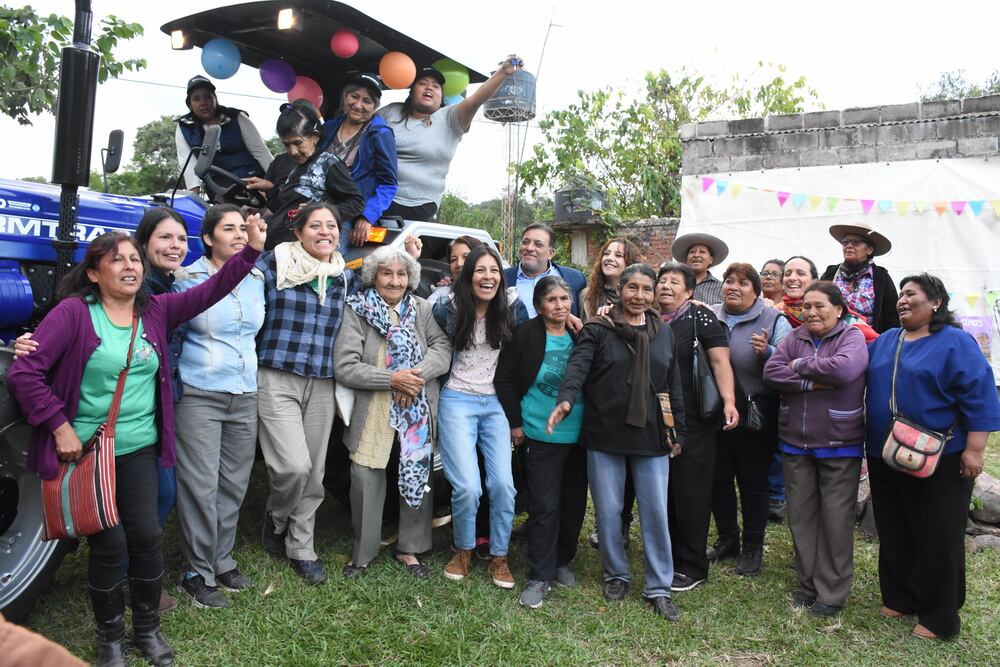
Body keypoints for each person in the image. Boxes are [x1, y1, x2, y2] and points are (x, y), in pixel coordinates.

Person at [7, 219, 266, 667]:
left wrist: (250, 253)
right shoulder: (73, 314)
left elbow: (212, 290)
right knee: (109, 543)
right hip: (88, 449)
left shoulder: (157, 311)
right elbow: (24, 373)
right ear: (94, 272)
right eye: (116, 260)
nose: (129, 266)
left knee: (145, 536)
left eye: (133, 259)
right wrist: (59, 426)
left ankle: (146, 631)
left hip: (140, 448)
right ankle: (109, 640)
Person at [549, 263, 688, 622]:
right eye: (633, 288)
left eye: (646, 289)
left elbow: (672, 385)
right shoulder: (599, 328)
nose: (639, 296)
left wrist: (678, 431)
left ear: (654, 293)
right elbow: (577, 368)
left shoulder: (663, 332)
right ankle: (616, 574)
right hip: (605, 432)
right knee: (609, 511)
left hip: (652, 434)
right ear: (620, 290)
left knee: (654, 512)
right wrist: (565, 399)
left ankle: (658, 586)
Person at [865, 274, 1000, 639]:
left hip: (940, 456)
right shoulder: (888, 340)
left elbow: (980, 394)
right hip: (884, 452)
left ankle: (940, 617)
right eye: (901, 295)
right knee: (893, 526)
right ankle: (901, 596)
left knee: (937, 534)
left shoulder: (955, 342)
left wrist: (975, 449)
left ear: (936, 302)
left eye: (912, 294)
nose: (902, 300)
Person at [333, 247, 451, 578]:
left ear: (411, 279)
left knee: (416, 472)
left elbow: (442, 350)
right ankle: (364, 551)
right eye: (387, 273)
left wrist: (413, 377)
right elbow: (346, 366)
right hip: (374, 407)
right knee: (366, 477)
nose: (395, 280)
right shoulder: (356, 310)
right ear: (374, 277)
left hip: (417, 408)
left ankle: (410, 549)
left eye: (401, 274)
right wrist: (392, 379)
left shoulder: (423, 309)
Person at [171, 205, 266, 608]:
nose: (240, 235)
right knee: (200, 486)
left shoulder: (259, 278)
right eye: (229, 229)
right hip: (201, 392)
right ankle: (196, 570)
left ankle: (221, 559)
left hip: (245, 392)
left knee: (233, 484)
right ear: (208, 238)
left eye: (243, 229)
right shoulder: (186, 279)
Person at [256, 201, 354, 585]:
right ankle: (277, 517)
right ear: (298, 231)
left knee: (314, 471)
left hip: (324, 381)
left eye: (332, 225)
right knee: (291, 466)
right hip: (277, 374)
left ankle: (302, 546)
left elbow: (386, 284)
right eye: (316, 225)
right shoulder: (272, 265)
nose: (325, 232)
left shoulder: (344, 277)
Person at [763, 281, 868, 617]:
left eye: (819, 305)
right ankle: (808, 585)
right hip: (795, 442)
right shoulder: (795, 337)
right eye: (806, 306)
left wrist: (796, 366)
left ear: (839, 309)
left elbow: (844, 369)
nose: (810, 312)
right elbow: (771, 372)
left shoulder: (851, 337)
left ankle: (832, 593)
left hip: (839, 442)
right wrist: (808, 379)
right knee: (802, 518)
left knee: (836, 521)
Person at [432, 244, 528, 589]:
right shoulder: (447, 307)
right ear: (469, 275)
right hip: (457, 400)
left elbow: (531, 344)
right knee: (468, 487)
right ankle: (463, 549)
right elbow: (427, 335)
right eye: (480, 271)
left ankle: (499, 556)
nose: (488, 277)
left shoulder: (513, 308)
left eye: (494, 271)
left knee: (503, 484)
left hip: (496, 404)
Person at [495, 276, 587, 608]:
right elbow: (504, 379)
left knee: (573, 503)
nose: (560, 305)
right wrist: (515, 424)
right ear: (538, 306)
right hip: (540, 434)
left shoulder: (581, 334)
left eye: (565, 299)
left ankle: (562, 559)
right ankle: (539, 573)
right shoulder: (526, 335)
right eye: (552, 300)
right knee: (544, 505)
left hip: (579, 435)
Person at [655, 262, 738, 592]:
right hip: (659, 420)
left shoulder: (700, 317)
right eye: (662, 280)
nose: (666, 286)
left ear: (689, 291)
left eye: (675, 282)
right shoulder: (648, 320)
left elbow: (720, 361)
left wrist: (729, 401)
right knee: (666, 490)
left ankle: (693, 565)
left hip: (695, 419)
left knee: (691, 491)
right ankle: (670, 558)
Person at [708, 263, 791, 576]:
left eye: (743, 283)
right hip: (713, 414)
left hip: (756, 417)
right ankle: (727, 539)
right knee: (719, 480)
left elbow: (788, 362)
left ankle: (753, 548)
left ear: (756, 291)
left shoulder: (773, 318)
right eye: (729, 281)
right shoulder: (710, 314)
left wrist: (767, 351)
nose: (733, 287)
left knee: (753, 484)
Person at [377, 56, 524, 222]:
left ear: (441, 96)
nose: (429, 88)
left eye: (436, 86)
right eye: (423, 83)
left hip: (423, 207)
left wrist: (503, 72)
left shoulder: (449, 118)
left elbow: (476, 101)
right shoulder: (390, 112)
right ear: (412, 91)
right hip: (380, 200)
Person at [243, 99, 364, 251]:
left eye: (298, 143)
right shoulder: (293, 165)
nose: (293, 151)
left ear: (314, 136)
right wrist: (269, 190)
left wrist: (319, 212)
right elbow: (283, 208)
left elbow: (356, 202)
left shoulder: (328, 163)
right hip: (276, 248)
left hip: (302, 253)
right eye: (287, 145)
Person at [319, 73, 398, 249]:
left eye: (367, 101)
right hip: (314, 204)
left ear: (375, 106)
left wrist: (366, 216)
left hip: (346, 213)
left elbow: (389, 185)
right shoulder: (329, 127)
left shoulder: (380, 133)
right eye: (354, 96)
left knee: (323, 256)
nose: (358, 104)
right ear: (345, 97)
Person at [175, 75, 272, 195]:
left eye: (208, 97)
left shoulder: (238, 117)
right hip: (218, 187)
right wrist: (194, 197)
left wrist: (275, 183)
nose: (203, 103)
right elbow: (187, 162)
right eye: (196, 99)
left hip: (251, 180)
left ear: (215, 99)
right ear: (190, 105)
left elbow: (260, 151)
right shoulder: (184, 126)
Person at [820, 222, 899, 333]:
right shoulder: (831, 273)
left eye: (856, 242)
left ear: (869, 250)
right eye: (845, 242)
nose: (849, 246)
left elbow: (892, 316)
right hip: (830, 337)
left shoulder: (881, 277)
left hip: (868, 342)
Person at [777, 256, 877, 343]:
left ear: (814, 281)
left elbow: (875, 342)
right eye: (787, 274)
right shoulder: (776, 313)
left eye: (801, 273)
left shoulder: (838, 314)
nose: (792, 278)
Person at [503, 223, 587, 319]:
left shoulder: (575, 279)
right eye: (525, 242)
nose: (529, 248)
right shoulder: (502, 278)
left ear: (551, 253)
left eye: (538, 244)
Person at [759, 258, 787, 520]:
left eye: (774, 274)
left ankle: (777, 495)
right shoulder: (756, 307)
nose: (768, 277)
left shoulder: (784, 314)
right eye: (764, 273)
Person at [579, 237, 643, 320]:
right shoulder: (587, 296)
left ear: (630, 263)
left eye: (618, 255)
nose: (609, 258)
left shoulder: (639, 297)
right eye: (606, 253)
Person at [670, 233, 728, 305]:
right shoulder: (673, 283)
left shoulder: (720, 288)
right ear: (686, 259)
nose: (696, 255)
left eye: (702, 252)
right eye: (692, 252)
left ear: (711, 259)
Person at [427, 235, 483, 307]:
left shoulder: (494, 295)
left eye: (466, 257)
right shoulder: (443, 294)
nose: (459, 264)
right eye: (453, 260)